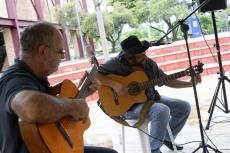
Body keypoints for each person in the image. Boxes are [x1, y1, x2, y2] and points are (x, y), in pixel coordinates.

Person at [0, 22, 118, 153]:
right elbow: (31, 107)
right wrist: (72, 106)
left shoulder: (35, 76)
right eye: (60, 52)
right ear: (43, 51)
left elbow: (48, 114)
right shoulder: (16, 79)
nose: (62, 57)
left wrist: (81, 93)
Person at [96, 35, 202, 153]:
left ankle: (166, 138)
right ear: (130, 57)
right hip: (127, 108)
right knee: (161, 110)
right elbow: (95, 74)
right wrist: (115, 85)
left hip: (150, 99)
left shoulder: (148, 64)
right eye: (140, 55)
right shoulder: (116, 63)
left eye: (144, 52)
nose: (144, 56)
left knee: (184, 107)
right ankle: (153, 150)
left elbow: (166, 80)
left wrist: (190, 84)